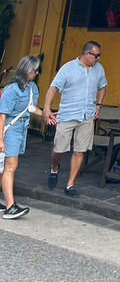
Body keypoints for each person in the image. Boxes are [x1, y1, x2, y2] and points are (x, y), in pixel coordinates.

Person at [41, 40, 107, 197]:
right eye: (96, 56)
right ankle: (55, 167)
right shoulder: (68, 68)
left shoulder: (99, 69)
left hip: (87, 114)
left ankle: (70, 184)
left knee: (80, 150)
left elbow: (103, 86)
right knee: (59, 148)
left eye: (99, 56)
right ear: (86, 54)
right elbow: (53, 88)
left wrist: (99, 104)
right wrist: (47, 108)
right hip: (68, 113)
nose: (98, 59)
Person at [0, 55, 44, 219]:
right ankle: (10, 207)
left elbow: (31, 108)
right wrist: (0, 139)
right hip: (8, 130)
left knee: (4, 167)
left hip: (21, 130)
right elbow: (2, 115)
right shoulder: (12, 89)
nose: (37, 72)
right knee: (11, 166)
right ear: (27, 70)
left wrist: (46, 115)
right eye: (35, 70)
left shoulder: (32, 87)